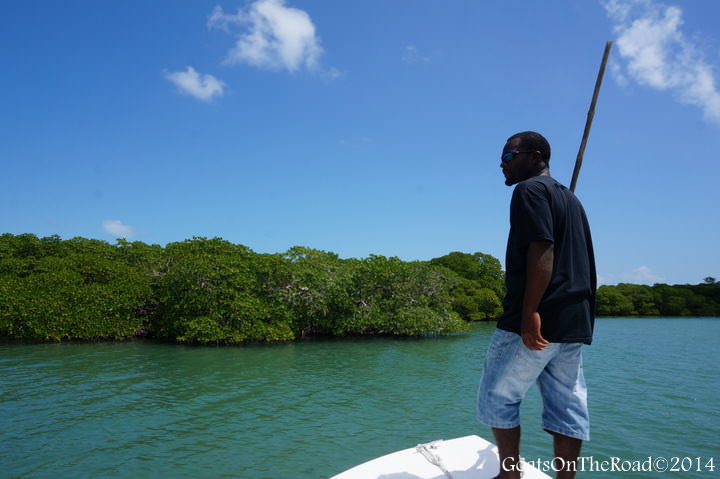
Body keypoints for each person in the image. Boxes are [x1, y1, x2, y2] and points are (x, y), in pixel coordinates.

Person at [476, 131, 596, 479]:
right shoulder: (571, 200)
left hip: (535, 317)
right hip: (574, 320)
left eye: (509, 157)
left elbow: (542, 250)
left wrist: (530, 314)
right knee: (568, 406)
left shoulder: (528, 190)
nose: (502, 163)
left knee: (497, 398)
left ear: (536, 156)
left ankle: (509, 475)